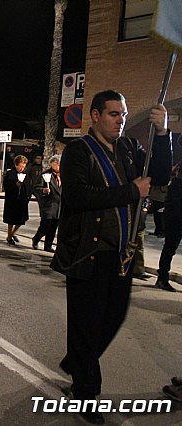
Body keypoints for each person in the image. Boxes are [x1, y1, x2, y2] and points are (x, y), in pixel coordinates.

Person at [51, 90, 171, 425]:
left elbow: (159, 175)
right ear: (95, 115)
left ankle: (77, 362)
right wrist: (131, 191)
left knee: (113, 318)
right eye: (113, 114)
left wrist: (163, 134)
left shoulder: (130, 148)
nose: (120, 120)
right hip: (89, 251)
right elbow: (75, 197)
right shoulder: (78, 151)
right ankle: (87, 394)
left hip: (122, 254)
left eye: (123, 114)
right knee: (86, 325)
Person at [155, 133, 182, 292]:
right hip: (176, 215)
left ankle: (162, 277)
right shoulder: (177, 180)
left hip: (174, 213)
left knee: (170, 247)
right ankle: (162, 277)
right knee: (170, 246)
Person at [31, 155, 61, 252]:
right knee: (45, 226)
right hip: (48, 204)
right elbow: (36, 188)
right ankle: (36, 238)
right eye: (58, 164)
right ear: (53, 164)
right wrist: (43, 191)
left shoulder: (64, 175)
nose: (59, 166)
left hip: (59, 205)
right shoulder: (46, 175)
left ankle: (48, 245)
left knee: (53, 227)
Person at [2, 155, 32, 245]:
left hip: (22, 200)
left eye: (24, 166)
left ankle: (13, 233)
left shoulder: (25, 174)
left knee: (21, 219)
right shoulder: (10, 173)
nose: (22, 168)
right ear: (16, 164)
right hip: (12, 200)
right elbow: (6, 186)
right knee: (11, 219)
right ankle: (9, 235)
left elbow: (28, 187)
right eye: (20, 166)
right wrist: (15, 185)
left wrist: (28, 196)